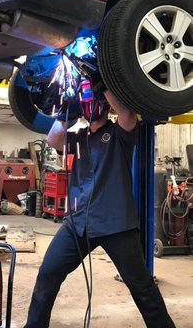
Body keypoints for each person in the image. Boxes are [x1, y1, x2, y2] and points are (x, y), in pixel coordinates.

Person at [24, 77, 175, 328]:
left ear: (104, 105)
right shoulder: (78, 137)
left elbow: (127, 115)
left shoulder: (119, 134)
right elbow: (53, 141)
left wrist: (102, 85)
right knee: (47, 275)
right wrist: (66, 113)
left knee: (142, 288)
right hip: (78, 224)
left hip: (116, 224)